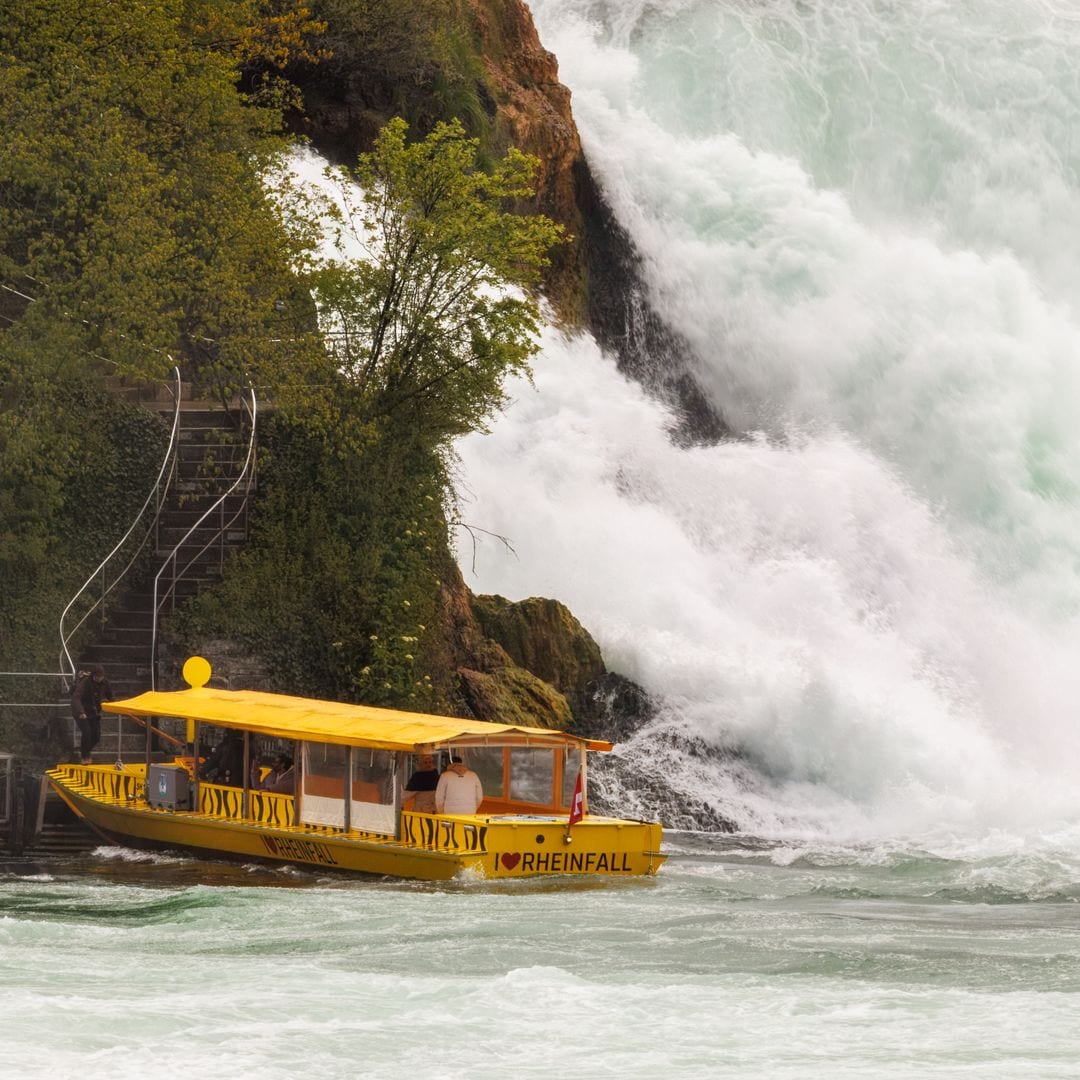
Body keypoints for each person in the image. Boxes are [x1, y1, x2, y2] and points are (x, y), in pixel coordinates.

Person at [70, 664, 112, 764]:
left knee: (96, 736)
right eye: (97, 677)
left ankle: (84, 751)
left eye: (101, 677)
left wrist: (120, 707)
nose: (99, 679)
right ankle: (85, 756)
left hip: (94, 712)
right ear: (93, 676)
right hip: (81, 711)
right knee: (87, 732)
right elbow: (76, 698)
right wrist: (81, 712)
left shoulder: (105, 683)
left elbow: (111, 696)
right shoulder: (85, 683)